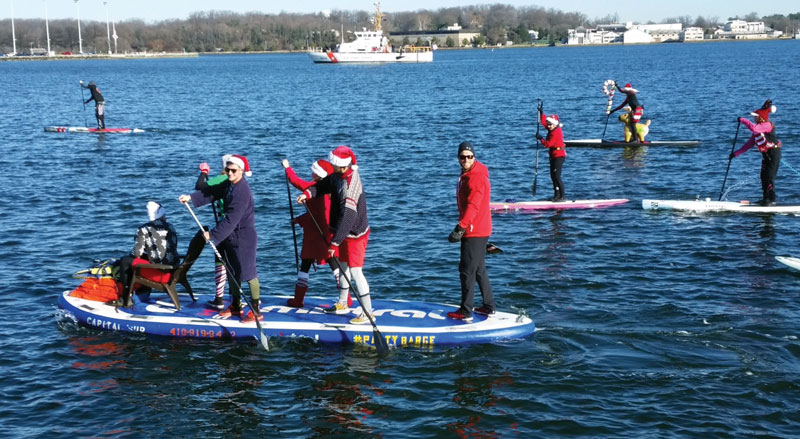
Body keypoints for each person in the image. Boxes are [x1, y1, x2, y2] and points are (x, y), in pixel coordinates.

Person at [179, 155, 262, 322]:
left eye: (233, 171)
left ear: (242, 171)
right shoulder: (230, 184)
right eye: (228, 170)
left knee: (248, 273)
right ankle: (236, 305)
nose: (230, 173)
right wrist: (191, 198)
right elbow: (212, 194)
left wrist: (213, 235)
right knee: (231, 271)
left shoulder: (242, 192)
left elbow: (232, 219)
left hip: (244, 237)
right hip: (230, 236)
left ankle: (256, 310)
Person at [297, 146, 373, 325]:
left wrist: (334, 243)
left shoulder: (350, 185)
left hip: (355, 234)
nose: (331, 165)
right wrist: (307, 194)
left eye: (333, 163)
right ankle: (342, 303)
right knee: (343, 266)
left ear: (343, 166)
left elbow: (349, 216)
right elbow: (323, 185)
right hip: (342, 232)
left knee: (355, 272)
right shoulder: (338, 176)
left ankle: (368, 312)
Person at [283, 158, 352, 308]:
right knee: (334, 265)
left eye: (313, 171)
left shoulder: (313, 187)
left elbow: (295, 181)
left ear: (317, 174)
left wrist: (287, 168)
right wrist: (299, 220)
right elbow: (320, 214)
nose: (311, 173)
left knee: (305, 266)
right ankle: (347, 298)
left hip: (313, 235)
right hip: (327, 232)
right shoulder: (331, 192)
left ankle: (298, 299)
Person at [446, 141, 495, 323]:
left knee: (466, 270)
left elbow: (473, 206)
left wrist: (460, 228)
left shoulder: (476, 177)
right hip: (480, 228)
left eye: (469, 156)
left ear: (474, 157)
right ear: (458, 158)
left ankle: (466, 311)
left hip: (475, 230)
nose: (465, 160)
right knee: (479, 268)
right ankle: (489, 306)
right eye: (462, 157)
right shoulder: (469, 173)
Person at [115, 201, 179, 307]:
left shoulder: (143, 229)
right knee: (144, 259)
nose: (165, 217)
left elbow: (136, 253)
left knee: (125, 261)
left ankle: (125, 297)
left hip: (160, 273)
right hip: (174, 270)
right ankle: (142, 292)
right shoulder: (171, 227)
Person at [192, 156, 234, 310]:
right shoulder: (238, 181)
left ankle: (219, 298)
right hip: (235, 225)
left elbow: (199, 186)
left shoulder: (222, 178)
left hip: (224, 225)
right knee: (233, 260)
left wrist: (204, 172)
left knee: (219, 259)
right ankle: (234, 295)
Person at [730, 99, 782, 206]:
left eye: (755, 116)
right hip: (766, 156)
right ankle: (765, 198)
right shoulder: (757, 130)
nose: (753, 118)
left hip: (774, 154)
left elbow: (754, 128)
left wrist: (743, 120)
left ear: (761, 117)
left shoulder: (767, 125)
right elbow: (748, 145)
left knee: (769, 176)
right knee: (763, 176)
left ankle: (772, 200)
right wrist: (735, 154)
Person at [536, 105, 567, 202]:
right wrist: (541, 113)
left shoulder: (556, 133)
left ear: (555, 124)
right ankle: (556, 196)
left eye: (550, 125)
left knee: (557, 177)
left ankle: (562, 197)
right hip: (553, 156)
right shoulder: (551, 128)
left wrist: (540, 138)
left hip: (559, 156)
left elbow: (548, 144)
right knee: (553, 177)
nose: (548, 126)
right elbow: (544, 122)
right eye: (548, 124)